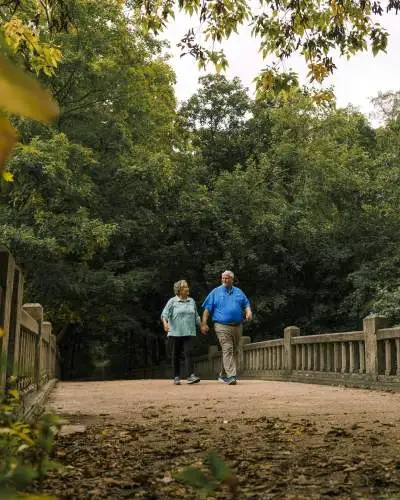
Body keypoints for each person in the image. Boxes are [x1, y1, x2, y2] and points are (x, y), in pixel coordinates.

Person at [201, 270, 252, 385]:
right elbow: (207, 310)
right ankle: (231, 376)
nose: (224, 280)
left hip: (237, 326)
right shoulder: (215, 292)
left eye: (227, 278)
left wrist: (248, 312)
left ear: (232, 280)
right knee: (227, 348)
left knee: (232, 350)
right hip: (221, 325)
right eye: (222, 278)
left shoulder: (238, 292)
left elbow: (246, 304)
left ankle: (223, 375)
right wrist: (204, 323)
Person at [161, 279, 201, 385]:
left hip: (189, 331)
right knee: (176, 354)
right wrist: (165, 324)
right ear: (179, 290)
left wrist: (202, 325)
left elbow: (196, 316)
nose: (188, 289)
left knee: (189, 352)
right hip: (175, 332)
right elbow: (164, 314)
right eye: (185, 287)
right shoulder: (172, 301)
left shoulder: (191, 301)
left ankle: (191, 375)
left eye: (187, 287)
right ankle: (176, 376)